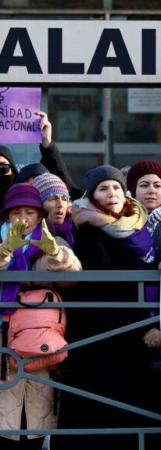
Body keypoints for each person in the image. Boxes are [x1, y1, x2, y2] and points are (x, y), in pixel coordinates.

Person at [55, 165, 155, 450]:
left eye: (115, 187)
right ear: (93, 196)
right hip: (97, 335)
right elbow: (104, 275)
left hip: (133, 332)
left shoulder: (139, 227)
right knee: (97, 412)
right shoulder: (86, 229)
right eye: (103, 188)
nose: (111, 193)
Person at [0, 183, 81, 450]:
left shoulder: (50, 240)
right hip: (3, 334)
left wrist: (55, 253)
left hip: (38, 338)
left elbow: (72, 275)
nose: (22, 218)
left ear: (39, 216)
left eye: (29, 212)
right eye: (15, 213)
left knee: (37, 411)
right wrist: (5, 251)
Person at [126, 160, 161, 261]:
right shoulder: (119, 221)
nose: (151, 190)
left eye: (157, 185)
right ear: (133, 191)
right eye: (144, 185)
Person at [31, 173, 74, 247]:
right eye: (53, 199)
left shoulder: (77, 232)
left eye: (64, 199)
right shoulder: (26, 238)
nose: (60, 205)